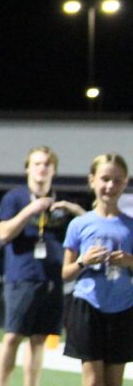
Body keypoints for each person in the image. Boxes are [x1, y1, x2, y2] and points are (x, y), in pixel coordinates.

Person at [0, 145, 86, 386]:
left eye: (47, 164)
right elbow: (3, 234)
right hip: (22, 277)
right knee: (13, 335)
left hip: (52, 279)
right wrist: (29, 211)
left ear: (54, 170)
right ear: (27, 169)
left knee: (39, 338)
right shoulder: (15, 198)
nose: (42, 168)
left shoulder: (60, 205)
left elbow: (90, 230)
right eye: (37, 164)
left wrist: (74, 210)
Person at [62, 153, 133, 386]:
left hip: (123, 307)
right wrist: (84, 261)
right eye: (104, 179)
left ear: (125, 182)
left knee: (114, 381)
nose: (110, 186)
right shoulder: (79, 224)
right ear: (92, 180)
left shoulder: (130, 225)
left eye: (117, 180)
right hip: (87, 306)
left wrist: (129, 261)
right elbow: (66, 273)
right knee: (93, 381)